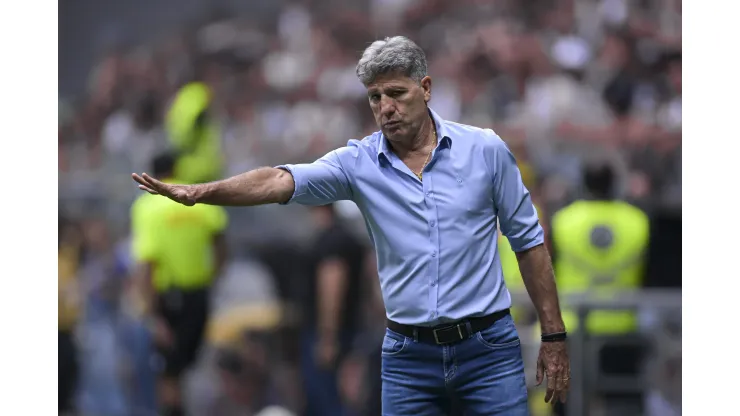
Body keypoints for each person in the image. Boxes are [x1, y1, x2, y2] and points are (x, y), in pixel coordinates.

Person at [133, 36, 570, 415]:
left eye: (396, 93)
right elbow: (277, 179)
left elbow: (529, 244)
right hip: (408, 356)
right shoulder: (358, 164)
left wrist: (553, 335)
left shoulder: (486, 150)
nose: (385, 108)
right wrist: (199, 192)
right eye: (375, 98)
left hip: (487, 349)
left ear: (427, 88)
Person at [130, 153, 228, 416]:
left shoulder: (148, 207)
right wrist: (213, 276)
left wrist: (152, 316)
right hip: (199, 293)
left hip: (168, 299)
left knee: (169, 372)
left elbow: (147, 263)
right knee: (188, 366)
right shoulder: (197, 196)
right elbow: (220, 240)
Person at [549, 162, 649, 416]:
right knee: (623, 401)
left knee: (564, 399)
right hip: (621, 325)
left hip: (572, 326)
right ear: (614, 184)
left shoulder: (563, 220)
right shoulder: (637, 220)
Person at [301, 204, 366, 416]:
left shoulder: (332, 242)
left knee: (328, 399)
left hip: (330, 335)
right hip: (349, 330)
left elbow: (332, 287)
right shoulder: (352, 240)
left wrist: (328, 337)